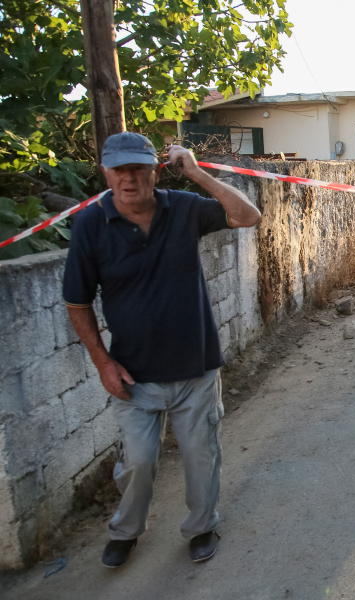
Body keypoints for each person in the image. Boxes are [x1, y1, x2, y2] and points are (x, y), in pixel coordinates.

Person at [63, 132, 261, 568]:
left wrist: (195, 172)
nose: (129, 179)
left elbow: (247, 216)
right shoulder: (90, 225)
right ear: (106, 173)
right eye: (120, 170)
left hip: (196, 369)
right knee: (137, 462)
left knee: (201, 456)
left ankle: (201, 526)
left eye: (138, 168)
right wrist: (103, 364)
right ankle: (126, 531)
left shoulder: (183, 208)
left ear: (155, 170)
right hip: (134, 376)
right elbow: (77, 303)